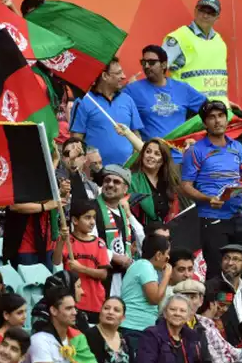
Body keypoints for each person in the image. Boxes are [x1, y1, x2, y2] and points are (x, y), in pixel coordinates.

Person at [181, 100, 242, 280]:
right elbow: (186, 186)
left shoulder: (237, 147)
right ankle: (215, 308)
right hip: (212, 218)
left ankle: (241, 307)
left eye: (221, 116)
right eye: (212, 117)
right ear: (205, 123)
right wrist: (207, 198)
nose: (217, 121)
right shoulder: (195, 150)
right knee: (217, 273)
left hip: (238, 216)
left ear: (226, 119)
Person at [123, 45, 206, 151]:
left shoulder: (182, 88)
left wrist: (196, 137)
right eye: (144, 62)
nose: (147, 66)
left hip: (180, 156)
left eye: (152, 62)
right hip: (152, 159)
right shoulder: (133, 90)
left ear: (164, 64)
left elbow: (209, 110)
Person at [22, 287, 109, 363]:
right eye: (69, 308)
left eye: (74, 308)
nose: (75, 312)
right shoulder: (39, 341)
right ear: (53, 311)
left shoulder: (77, 338)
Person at [70, 57, 143, 166]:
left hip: (126, 171)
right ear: (105, 76)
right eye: (118, 73)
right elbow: (76, 139)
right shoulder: (84, 101)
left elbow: (136, 135)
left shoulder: (128, 100)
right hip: (96, 171)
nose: (123, 76)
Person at [163, 0, 229, 105]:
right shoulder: (179, 38)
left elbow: (217, 78)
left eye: (211, 13)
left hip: (219, 109)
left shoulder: (219, 42)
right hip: (190, 110)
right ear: (195, 11)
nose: (205, 15)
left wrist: (225, 101)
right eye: (202, 10)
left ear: (217, 17)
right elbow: (157, 71)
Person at [54, 199, 110, 323]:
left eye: (94, 218)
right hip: (73, 303)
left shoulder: (99, 243)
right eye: (87, 218)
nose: (92, 222)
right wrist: (61, 240)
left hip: (95, 302)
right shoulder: (67, 240)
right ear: (75, 220)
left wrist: (81, 269)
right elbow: (56, 261)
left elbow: (103, 274)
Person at [92, 165, 144, 297]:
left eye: (116, 182)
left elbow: (142, 240)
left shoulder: (123, 212)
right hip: (99, 276)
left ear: (125, 189)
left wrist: (129, 215)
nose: (110, 184)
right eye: (107, 180)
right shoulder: (92, 208)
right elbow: (90, 242)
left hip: (123, 279)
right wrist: (114, 257)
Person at [135, 294, 202, 363]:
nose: (177, 313)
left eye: (182, 311)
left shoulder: (190, 336)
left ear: (188, 317)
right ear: (165, 313)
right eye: (172, 309)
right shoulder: (152, 334)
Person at [120, 234, 171, 348]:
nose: (167, 261)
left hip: (138, 327)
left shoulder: (142, 266)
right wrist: (167, 275)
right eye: (167, 256)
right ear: (158, 255)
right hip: (134, 327)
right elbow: (154, 299)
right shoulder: (145, 266)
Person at [205, 244, 242, 346]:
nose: (230, 263)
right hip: (222, 347)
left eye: (236, 259)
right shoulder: (210, 288)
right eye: (226, 258)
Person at [129, 138, 182, 225]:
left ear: (163, 160)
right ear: (142, 155)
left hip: (167, 231)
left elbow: (173, 212)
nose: (151, 156)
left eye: (157, 154)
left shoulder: (168, 181)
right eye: (148, 152)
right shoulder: (132, 180)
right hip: (142, 232)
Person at [84, 297, 135, 363]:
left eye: (116, 310)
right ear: (100, 313)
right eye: (106, 308)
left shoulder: (126, 339)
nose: (110, 312)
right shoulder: (89, 335)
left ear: (123, 318)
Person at [172, 279, 214, 363]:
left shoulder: (201, 327)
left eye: (193, 297)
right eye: (184, 297)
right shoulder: (169, 325)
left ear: (201, 301)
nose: (188, 302)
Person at [196, 290, 241, 363]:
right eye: (221, 305)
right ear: (212, 304)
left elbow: (230, 349)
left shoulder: (212, 324)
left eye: (228, 306)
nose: (224, 309)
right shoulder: (201, 328)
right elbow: (215, 361)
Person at [56, 137, 99, 202]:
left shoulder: (92, 187)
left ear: (85, 158)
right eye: (67, 154)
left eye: (78, 154)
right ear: (62, 158)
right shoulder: (53, 179)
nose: (72, 156)